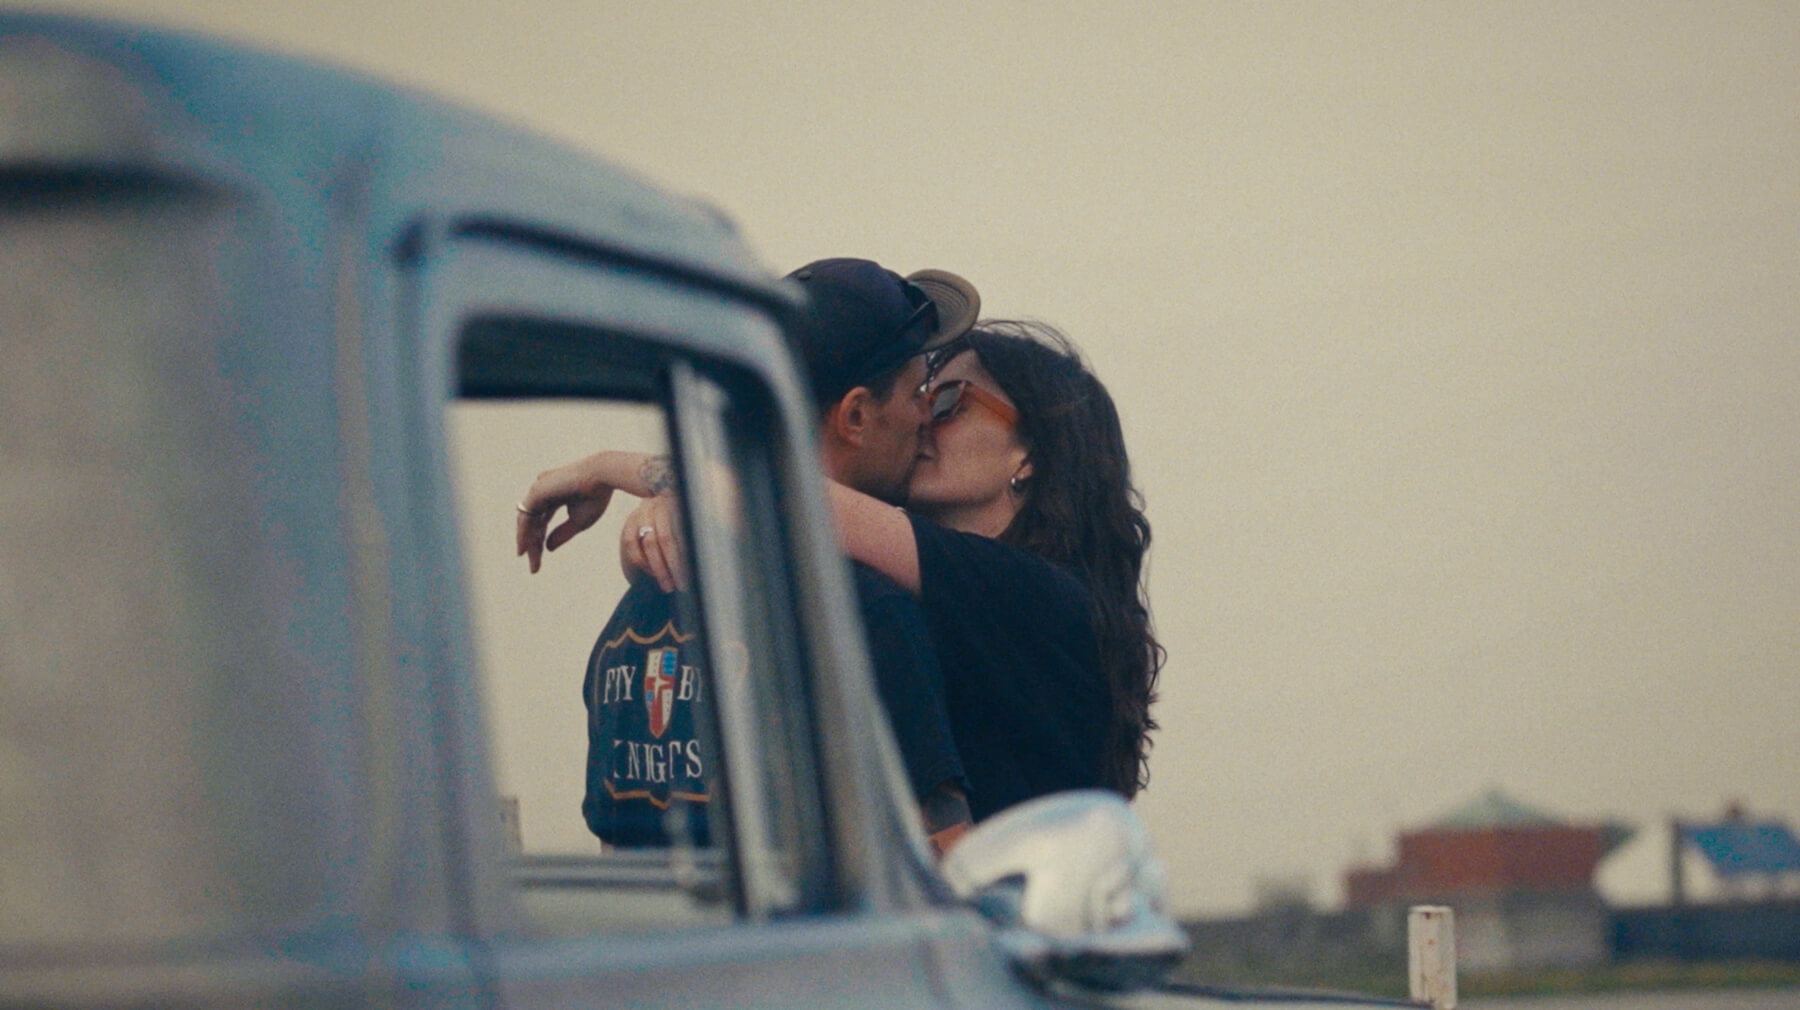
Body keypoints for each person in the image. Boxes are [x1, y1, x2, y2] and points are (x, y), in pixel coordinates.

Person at [517, 258, 981, 852]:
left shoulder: (630, 620)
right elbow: (948, 870)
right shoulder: (865, 613)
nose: (927, 415)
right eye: (919, 392)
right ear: (857, 415)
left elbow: (618, 854)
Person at [620, 319, 1163, 824]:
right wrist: (668, 525)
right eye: (921, 398)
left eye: (950, 402)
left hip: (1006, 918)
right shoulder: (926, 590)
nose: (922, 418)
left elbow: (782, 498)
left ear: (1029, 455)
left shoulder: (1039, 597)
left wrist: (617, 469)